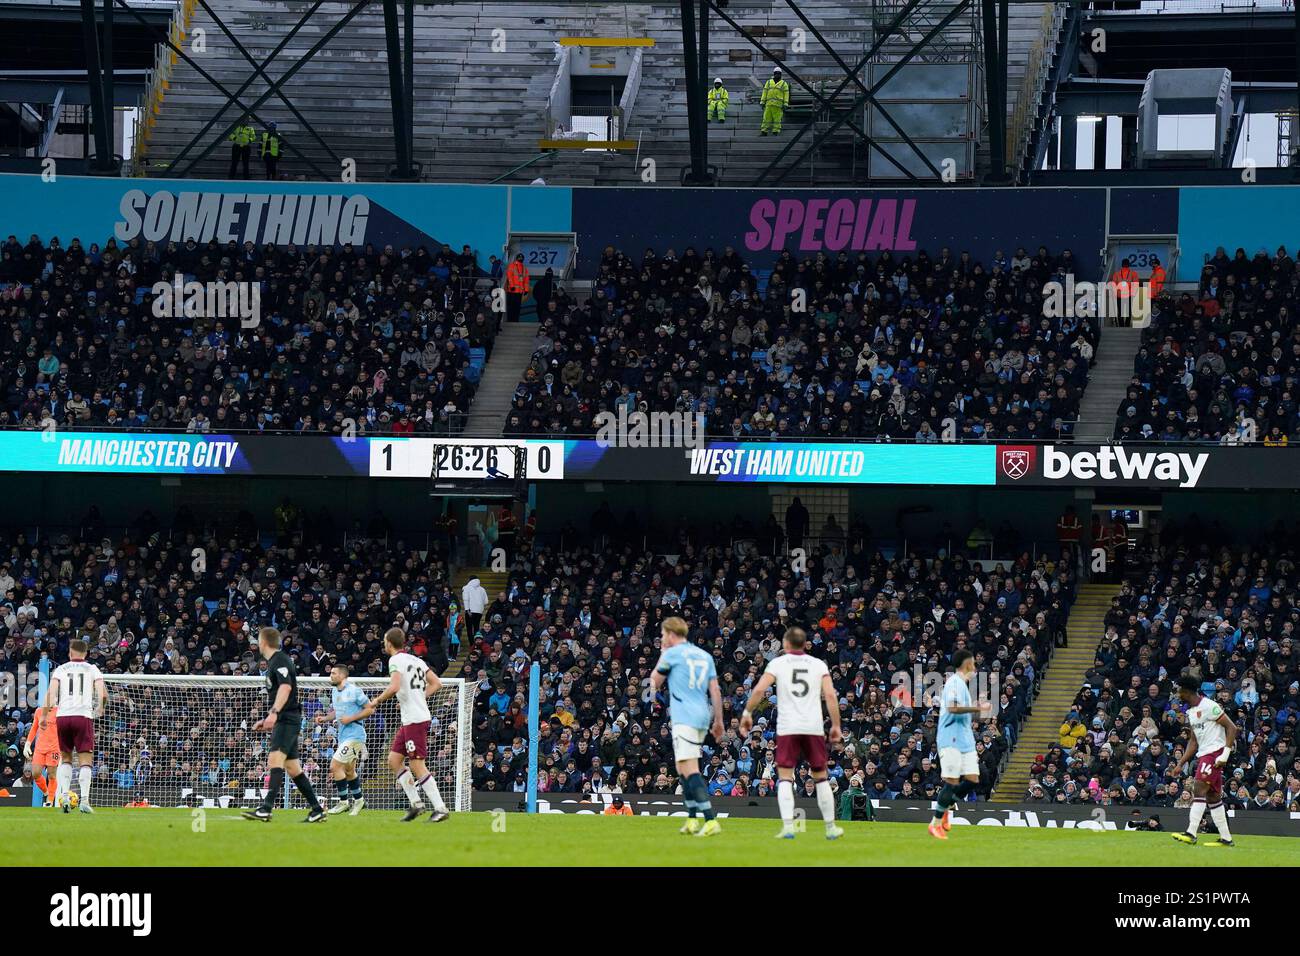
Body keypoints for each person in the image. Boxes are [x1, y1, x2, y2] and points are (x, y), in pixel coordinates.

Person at [739, 626, 844, 839]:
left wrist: (747, 712)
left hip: (788, 727)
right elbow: (831, 696)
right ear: (805, 644)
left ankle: (788, 827)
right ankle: (831, 828)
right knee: (821, 777)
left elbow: (759, 690)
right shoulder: (818, 664)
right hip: (813, 727)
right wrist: (835, 725)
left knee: (785, 778)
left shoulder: (777, 663)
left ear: (786, 644)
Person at [649, 616, 725, 837]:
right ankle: (691, 819)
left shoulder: (672, 654)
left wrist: (663, 653)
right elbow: (716, 691)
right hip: (703, 715)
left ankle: (710, 820)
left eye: (663, 635)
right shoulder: (705, 656)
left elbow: (654, 682)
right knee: (682, 769)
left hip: (685, 717)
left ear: (672, 635)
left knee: (690, 769)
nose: (662, 639)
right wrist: (718, 721)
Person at [242, 627, 326, 823]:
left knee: (274, 761)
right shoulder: (275, 661)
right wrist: (268, 718)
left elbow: (286, 687)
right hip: (285, 718)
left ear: (263, 642)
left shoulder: (280, 660)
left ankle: (266, 809)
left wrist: (273, 713)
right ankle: (317, 810)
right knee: (293, 768)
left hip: (287, 718)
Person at [370, 627, 450, 823]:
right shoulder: (416, 660)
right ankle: (416, 804)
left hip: (415, 719)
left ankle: (440, 808)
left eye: (384, 640)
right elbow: (436, 683)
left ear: (389, 643)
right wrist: (416, 697)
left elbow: (394, 686)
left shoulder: (395, 660)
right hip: (411, 718)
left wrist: (377, 700)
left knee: (416, 764)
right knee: (393, 760)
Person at [928, 649, 991, 839]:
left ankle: (947, 805)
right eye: (972, 662)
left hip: (964, 739)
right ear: (965, 664)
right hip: (950, 739)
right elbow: (953, 708)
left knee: (974, 778)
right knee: (952, 781)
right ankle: (936, 822)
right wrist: (976, 707)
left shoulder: (963, 685)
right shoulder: (954, 683)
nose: (975, 666)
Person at [1170, 672, 1237, 847]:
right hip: (1205, 753)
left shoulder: (1209, 706)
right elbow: (1193, 741)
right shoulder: (1191, 712)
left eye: (1180, 692)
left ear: (1187, 691)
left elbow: (1232, 727)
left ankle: (1191, 833)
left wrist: (1225, 754)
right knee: (1213, 797)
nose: (1178, 695)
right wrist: (1180, 763)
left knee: (1198, 787)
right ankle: (1226, 839)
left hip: (1215, 753)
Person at [46, 641, 106, 814]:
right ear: (85, 654)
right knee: (85, 761)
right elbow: (102, 694)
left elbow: (51, 693)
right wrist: (100, 707)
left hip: (63, 717)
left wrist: (43, 716)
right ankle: (85, 801)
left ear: (70, 653)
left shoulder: (61, 669)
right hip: (83, 716)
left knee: (65, 759)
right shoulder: (92, 669)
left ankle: (64, 797)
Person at [316, 663, 372, 815]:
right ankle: (359, 800)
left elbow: (370, 708)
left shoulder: (354, 691)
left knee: (335, 766)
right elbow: (337, 712)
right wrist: (325, 718)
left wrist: (351, 718)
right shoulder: (335, 691)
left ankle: (343, 802)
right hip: (343, 735)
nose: (331, 676)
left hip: (355, 734)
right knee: (349, 771)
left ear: (342, 675)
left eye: (333, 673)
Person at [24, 698, 60, 807]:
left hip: (54, 748)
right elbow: (34, 728)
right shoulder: (39, 711)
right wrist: (28, 743)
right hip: (40, 748)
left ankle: (50, 800)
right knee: (35, 773)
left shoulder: (59, 712)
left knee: (52, 775)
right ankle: (46, 792)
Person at [759, 67, 790, 135]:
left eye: (779, 73)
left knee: (777, 119)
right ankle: (764, 131)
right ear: (774, 74)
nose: (777, 75)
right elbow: (765, 92)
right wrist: (762, 102)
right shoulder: (769, 82)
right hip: (769, 104)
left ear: (781, 74)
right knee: (766, 118)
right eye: (776, 73)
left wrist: (785, 104)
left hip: (778, 105)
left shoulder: (784, 83)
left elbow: (786, 94)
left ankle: (775, 131)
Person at [505, 253, 530, 323]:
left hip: (519, 292)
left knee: (517, 307)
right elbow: (509, 276)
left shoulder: (524, 268)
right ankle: (510, 320)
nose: (520, 259)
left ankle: (516, 320)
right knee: (511, 307)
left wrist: (526, 289)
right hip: (512, 291)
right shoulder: (512, 266)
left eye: (521, 258)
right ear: (516, 258)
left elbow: (526, 280)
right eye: (519, 258)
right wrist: (512, 286)